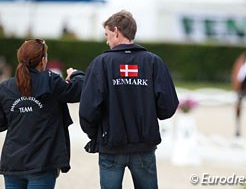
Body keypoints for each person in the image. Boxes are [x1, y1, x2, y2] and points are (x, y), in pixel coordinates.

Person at [79, 10, 179, 189]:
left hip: (110, 146)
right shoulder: (153, 62)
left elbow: (88, 110)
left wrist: (96, 135)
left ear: (116, 31)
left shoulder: (101, 63)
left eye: (107, 35)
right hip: (144, 146)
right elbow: (168, 107)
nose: (106, 40)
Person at [0, 39, 84, 189]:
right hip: (42, 162)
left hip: (13, 162)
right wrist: (76, 75)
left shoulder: (5, 87)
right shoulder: (51, 81)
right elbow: (77, 91)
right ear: (43, 60)